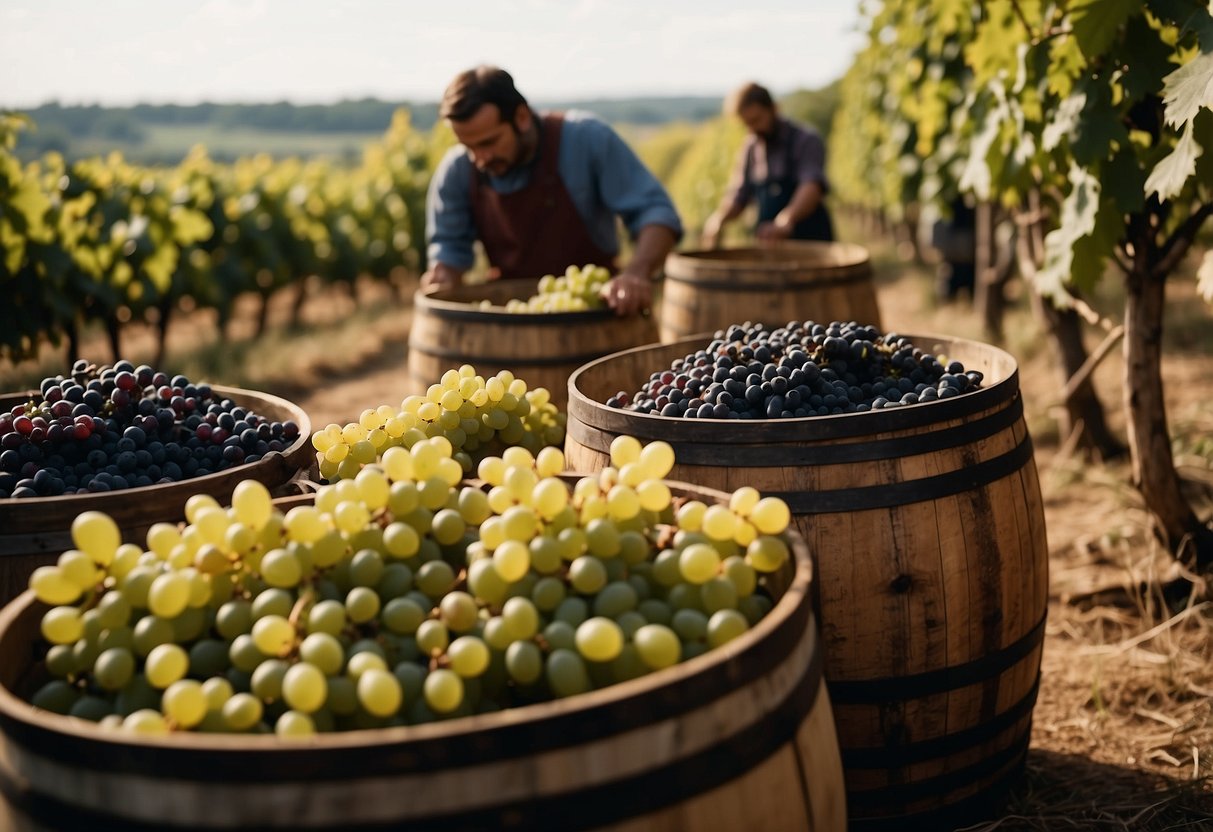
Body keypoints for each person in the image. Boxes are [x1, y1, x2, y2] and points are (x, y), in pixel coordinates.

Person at [421, 65, 682, 316]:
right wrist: (444, 273)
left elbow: (655, 213)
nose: (480, 158)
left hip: (597, 313)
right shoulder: (457, 171)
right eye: (469, 147)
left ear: (521, 117)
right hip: (511, 322)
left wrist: (637, 272)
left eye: (489, 142)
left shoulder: (586, 140)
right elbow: (449, 248)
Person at [701, 82, 834, 248]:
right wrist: (719, 218)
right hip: (769, 245)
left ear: (774, 109)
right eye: (746, 124)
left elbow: (811, 186)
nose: (752, 129)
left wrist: (786, 220)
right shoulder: (750, 147)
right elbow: (739, 195)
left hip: (810, 241)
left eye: (756, 120)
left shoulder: (805, 139)